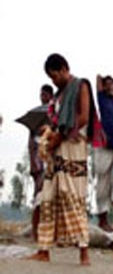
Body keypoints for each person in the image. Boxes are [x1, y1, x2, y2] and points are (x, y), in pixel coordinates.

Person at [28, 54, 98, 266]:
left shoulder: (80, 85)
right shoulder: (58, 96)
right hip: (57, 150)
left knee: (71, 195)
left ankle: (83, 252)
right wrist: (51, 131)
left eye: (54, 76)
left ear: (64, 69)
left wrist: (62, 133)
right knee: (47, 196)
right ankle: (43, 249)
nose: (53, 81)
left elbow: (84, 117)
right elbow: (56, 119)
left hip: (73, 148)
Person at [93, 75, 113, 232]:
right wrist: (104, 81)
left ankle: (110, 215)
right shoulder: (102, 99)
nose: (110, 87)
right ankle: (102, 219)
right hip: (104, 145)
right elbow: (97, 79)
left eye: (112, 85)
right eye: (107, 85)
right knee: (102, 181)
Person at [28, 84, 54, 241]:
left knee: (51, 199)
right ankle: (34, 230)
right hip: (40, 164)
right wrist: (34, 164)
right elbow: (32, 144)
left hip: (51, 161)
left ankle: (48, 230)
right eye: (41, 94)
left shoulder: (55, 116)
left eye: (45, 95)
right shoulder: (36, 119)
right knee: (38, 196)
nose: (43, 97)